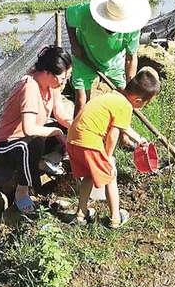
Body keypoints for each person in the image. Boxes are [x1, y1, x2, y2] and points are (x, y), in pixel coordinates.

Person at [65, 67, 161, 228]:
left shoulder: (113, 97)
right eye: (147, 102)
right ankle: (115, 218)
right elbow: (113, 134)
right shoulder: (125, 106)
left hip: (73, 140)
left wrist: (138, 139)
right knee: (111, 175)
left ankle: (81, 214)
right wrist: (108, 157)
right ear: (138, 100)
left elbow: (122, 125)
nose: (146, 105)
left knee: (89, 175)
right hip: (89, 142)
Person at [0, 45, 73, 215]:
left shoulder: (51, 86)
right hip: (7, 146)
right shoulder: (30, 87)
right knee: (31, 143)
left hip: (29, 138)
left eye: (67, 76)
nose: (64, 81)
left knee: (63, 128)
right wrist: (58, 133)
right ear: (47, 73)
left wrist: (77, 128)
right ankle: (22, 191)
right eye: (63, 77)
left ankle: (41, 162)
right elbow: (29, 128)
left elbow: (60, 114)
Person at [65, 0, 151, 115]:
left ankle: (123, 135)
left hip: (113, 64)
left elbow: (130, 58)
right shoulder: (85, 12)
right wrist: (74, 44)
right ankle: (76, 134)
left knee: (126, 103)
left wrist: (130, 82)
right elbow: (68, 15)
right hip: (84, 58)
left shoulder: (132, 28)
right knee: (82, 103)